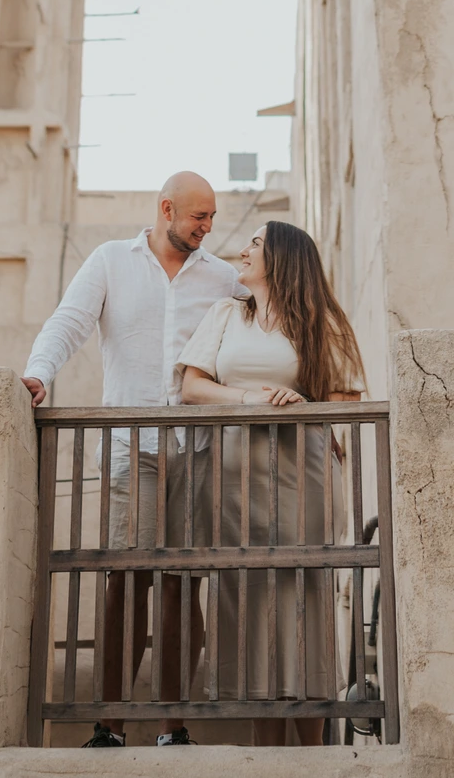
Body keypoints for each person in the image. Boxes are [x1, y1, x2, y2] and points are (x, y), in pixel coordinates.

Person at [21, 169, 245, 748]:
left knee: (181, 583)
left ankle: (173, 725)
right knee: (126, 579)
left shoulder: (223, 278)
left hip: (196, 451)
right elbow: (69, 322)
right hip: (130, 446)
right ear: (166, 209)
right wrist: (39, 372)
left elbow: (263, 332)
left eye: (213, 217)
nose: (208, 227)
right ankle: (111, 723)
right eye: (199, 216)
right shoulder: (110, 261)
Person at [178, 219, 365, 746]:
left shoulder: (322, 323)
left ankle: (314, 755)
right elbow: (192, 387)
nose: (242, 250)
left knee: (302, 595)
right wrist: (247, 399)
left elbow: (349, 398)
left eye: (255, 244)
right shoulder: (225, 315)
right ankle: (267, 756)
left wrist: (304, 404)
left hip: (300, 476)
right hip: (234, 477)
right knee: (245, 595)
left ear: (282, 258)